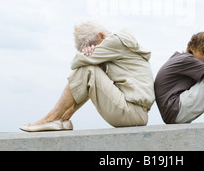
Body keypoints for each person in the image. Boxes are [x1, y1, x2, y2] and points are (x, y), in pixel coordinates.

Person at [20, 21, 155, 132]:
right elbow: (90, 84)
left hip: (131, 113)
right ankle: (63, 119)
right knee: (91, 73)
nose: (96, 52)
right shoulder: (119, 47)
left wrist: (87, 55)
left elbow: (76, 62)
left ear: (102, 35)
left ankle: (51, 118)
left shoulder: (115, 41)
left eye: (95, 47)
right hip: (135, 114)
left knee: (88, 69)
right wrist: (92, 55)